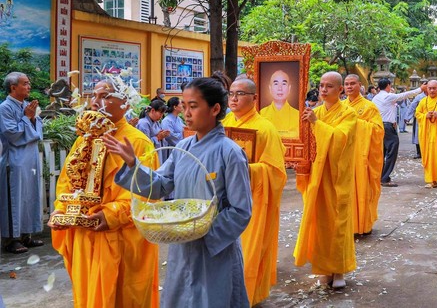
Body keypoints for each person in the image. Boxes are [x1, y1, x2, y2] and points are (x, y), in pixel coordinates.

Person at [108, 75, 253, 307]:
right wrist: (134, 165)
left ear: (215, 108)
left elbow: (240, 210)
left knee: (215, 299)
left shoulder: (230, 153)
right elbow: (160, 186)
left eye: (193, 106)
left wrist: (203, 232)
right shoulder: (182, 148)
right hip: (183, 246)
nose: (186, 113)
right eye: (184, 106)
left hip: (214, 248)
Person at [50, 78, 160, 307]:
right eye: (94, 95)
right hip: (84, 234)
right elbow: (67, 181)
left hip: (121, 238)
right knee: (88, 295)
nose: (95, 102)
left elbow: (147, 195)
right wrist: (62, 209)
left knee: (124, 296)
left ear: (126, 104)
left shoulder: (138, 142)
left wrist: (111, 214)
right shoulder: (84, 139)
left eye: (105, 96)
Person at [221, 77, 286, 305]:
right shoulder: (224, 123)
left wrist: (244, 170)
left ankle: (247, 296)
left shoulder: (266, 128)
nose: (234, 98)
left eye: (240, 94)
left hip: (252, 202)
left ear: (254, 98)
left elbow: (276, 172)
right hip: (223, 201)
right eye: (231, 93)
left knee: (248, 252)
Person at [294, 72, 357, 289]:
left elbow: (340, 140)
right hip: (317, 176)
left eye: (329, 86)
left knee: (338, 223)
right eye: (321, 85)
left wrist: (316, 124)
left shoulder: (349, 114)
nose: (323, 90)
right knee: (319, 224)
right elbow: (305, 143)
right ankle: (323, 268)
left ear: (339, 90)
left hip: (337, 177)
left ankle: (339, 270)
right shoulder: (315, 112)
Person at [1, 72, 43, 254]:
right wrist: (27, 118)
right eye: (25, 84)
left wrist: (32, 118)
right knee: (14, 198)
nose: (29, 86)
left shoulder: (27, 106)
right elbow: (12, 134)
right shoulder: (4, 108)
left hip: (30, 160)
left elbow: (38, 131)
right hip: (15, 160)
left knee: (29, 196)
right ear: (13, 87)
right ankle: (11, 240)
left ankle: (26, 235)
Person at [341, 75, 384, 235]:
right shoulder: (340, 106)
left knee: (363, 189)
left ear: (360, 85)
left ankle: (363, 225)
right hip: (344, 156)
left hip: (362, 157)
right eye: (346, 84)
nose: (349, 87)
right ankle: (347, 225)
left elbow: (378, 131)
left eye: (352, 84)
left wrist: (355, 123)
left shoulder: (369, 107)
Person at [374, 78, 424, 185]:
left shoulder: (376, 97)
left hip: (378, 126)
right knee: (392, 151)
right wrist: (420, 89)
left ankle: (380, 176)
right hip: (387, 127)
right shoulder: (388, 96)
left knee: (381, 152)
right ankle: (384, 177)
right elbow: (404, 95)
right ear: (388, 85)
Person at [260, 69, 300, 138]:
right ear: (270, 88)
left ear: (289, 88)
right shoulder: (261, 113)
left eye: (284, 84)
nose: (280, 88)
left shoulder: (298, 115)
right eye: (276, 84)